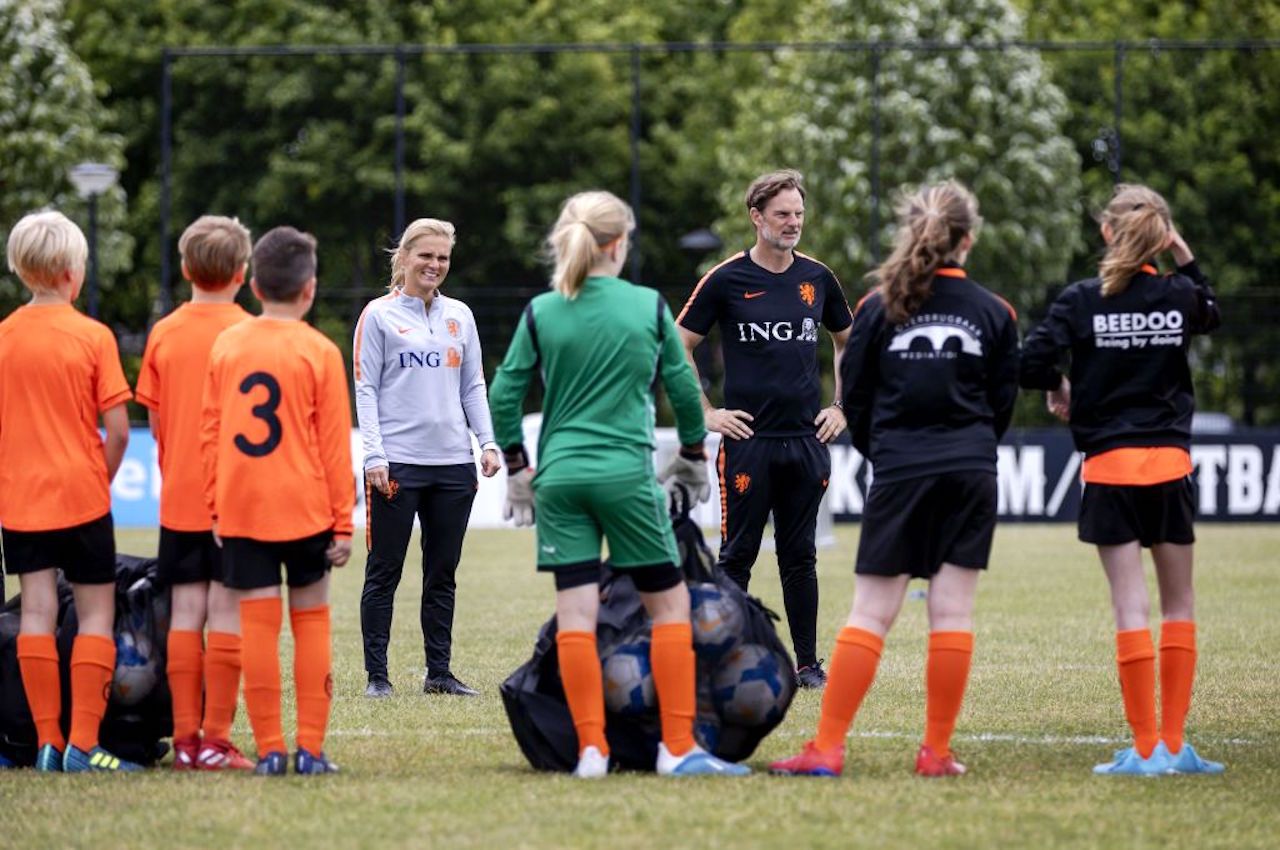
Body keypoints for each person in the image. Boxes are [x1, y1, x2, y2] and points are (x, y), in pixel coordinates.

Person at [489, 190, 749, 778]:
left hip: (560, 478)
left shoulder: (543, 309)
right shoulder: (647, 306)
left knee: (576, 614)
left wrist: (517, 469)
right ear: (618, 244)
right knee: (670, 606)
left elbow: (505, 393)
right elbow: (683, 389)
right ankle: (677, 748)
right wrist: (689, 456)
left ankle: (590, 751)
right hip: (625, 476)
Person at [770, 180, 1019, 778]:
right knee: (952, 611)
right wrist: (970, 450)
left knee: (871, 612)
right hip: (970, 471)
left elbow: (854, 398)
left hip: (902, 471)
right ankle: (936, 754)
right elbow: (1001, 406)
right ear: (968, 238)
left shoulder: (879, 307)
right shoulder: (994, 311)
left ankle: (827, 748)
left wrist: (894, 456)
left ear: (912, 232)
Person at [1020, 184, 1223, 776]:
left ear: (1108, 233)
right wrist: (1183, 254)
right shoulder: (1179, 291)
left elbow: (1030, 361)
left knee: (1131, 607)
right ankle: (1176, 745)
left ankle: (1143, 751)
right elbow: (1212, 312)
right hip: (1169, 467)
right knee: (1179, 603)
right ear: (1162, 236)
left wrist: (1061, 388)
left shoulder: (1083, 299)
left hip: (1109, 468)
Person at [676, 169, 852, 689]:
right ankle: (723, 660)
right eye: (782, 214)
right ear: (756, 217)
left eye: (798, 213)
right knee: (737, 556)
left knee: (801, 557)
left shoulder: (818, 278)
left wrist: (841, 406)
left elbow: (849, 341)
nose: (793, 223)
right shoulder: (726, 278)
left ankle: (806, 665)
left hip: (806, 441)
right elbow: (677, 345)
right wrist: (706, 413)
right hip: (747, 443)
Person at [200, 225, 354, 776]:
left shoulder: (228, 343)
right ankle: (310, 749)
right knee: (311, 621)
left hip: (243, 506)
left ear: (255, 286)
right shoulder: (319, 350)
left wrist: (216, 505)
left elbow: (210, 431)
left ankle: (268, 750)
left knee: (257, 630)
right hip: (306, 506)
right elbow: (335, 444)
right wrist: (343, 522)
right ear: (309, 289)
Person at [0, 210, 139, 772]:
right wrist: (97, 480)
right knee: (96, 614)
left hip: (22, 499)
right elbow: (122, 429)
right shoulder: (93, 336)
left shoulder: (4, 336)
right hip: (82, 496)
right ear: (71, 272)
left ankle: (46, 741)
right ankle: (84, 743)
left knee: (35, 612)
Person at [353, 218, 500, 699]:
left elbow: (473, 385)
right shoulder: (378, 315)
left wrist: (487, 441)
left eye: (442, 257)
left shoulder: (461, 315)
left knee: (442, 572)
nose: (435, 265)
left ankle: (439, 673)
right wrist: (374, 454)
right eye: (426, 256)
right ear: (404, 257)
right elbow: (366, 388)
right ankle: (378, 677)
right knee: (385, 571)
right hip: (396, 464)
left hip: (453, 465)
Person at [137, 215, 255, 770]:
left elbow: (156, 424)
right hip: (234, 499)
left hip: (181, 493)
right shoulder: (250, 331)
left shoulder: (165, 332)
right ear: (243, 271)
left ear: (185, 268)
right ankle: (216, 738)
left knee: (185, 613)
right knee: (225, 612)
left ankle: (184, 740)